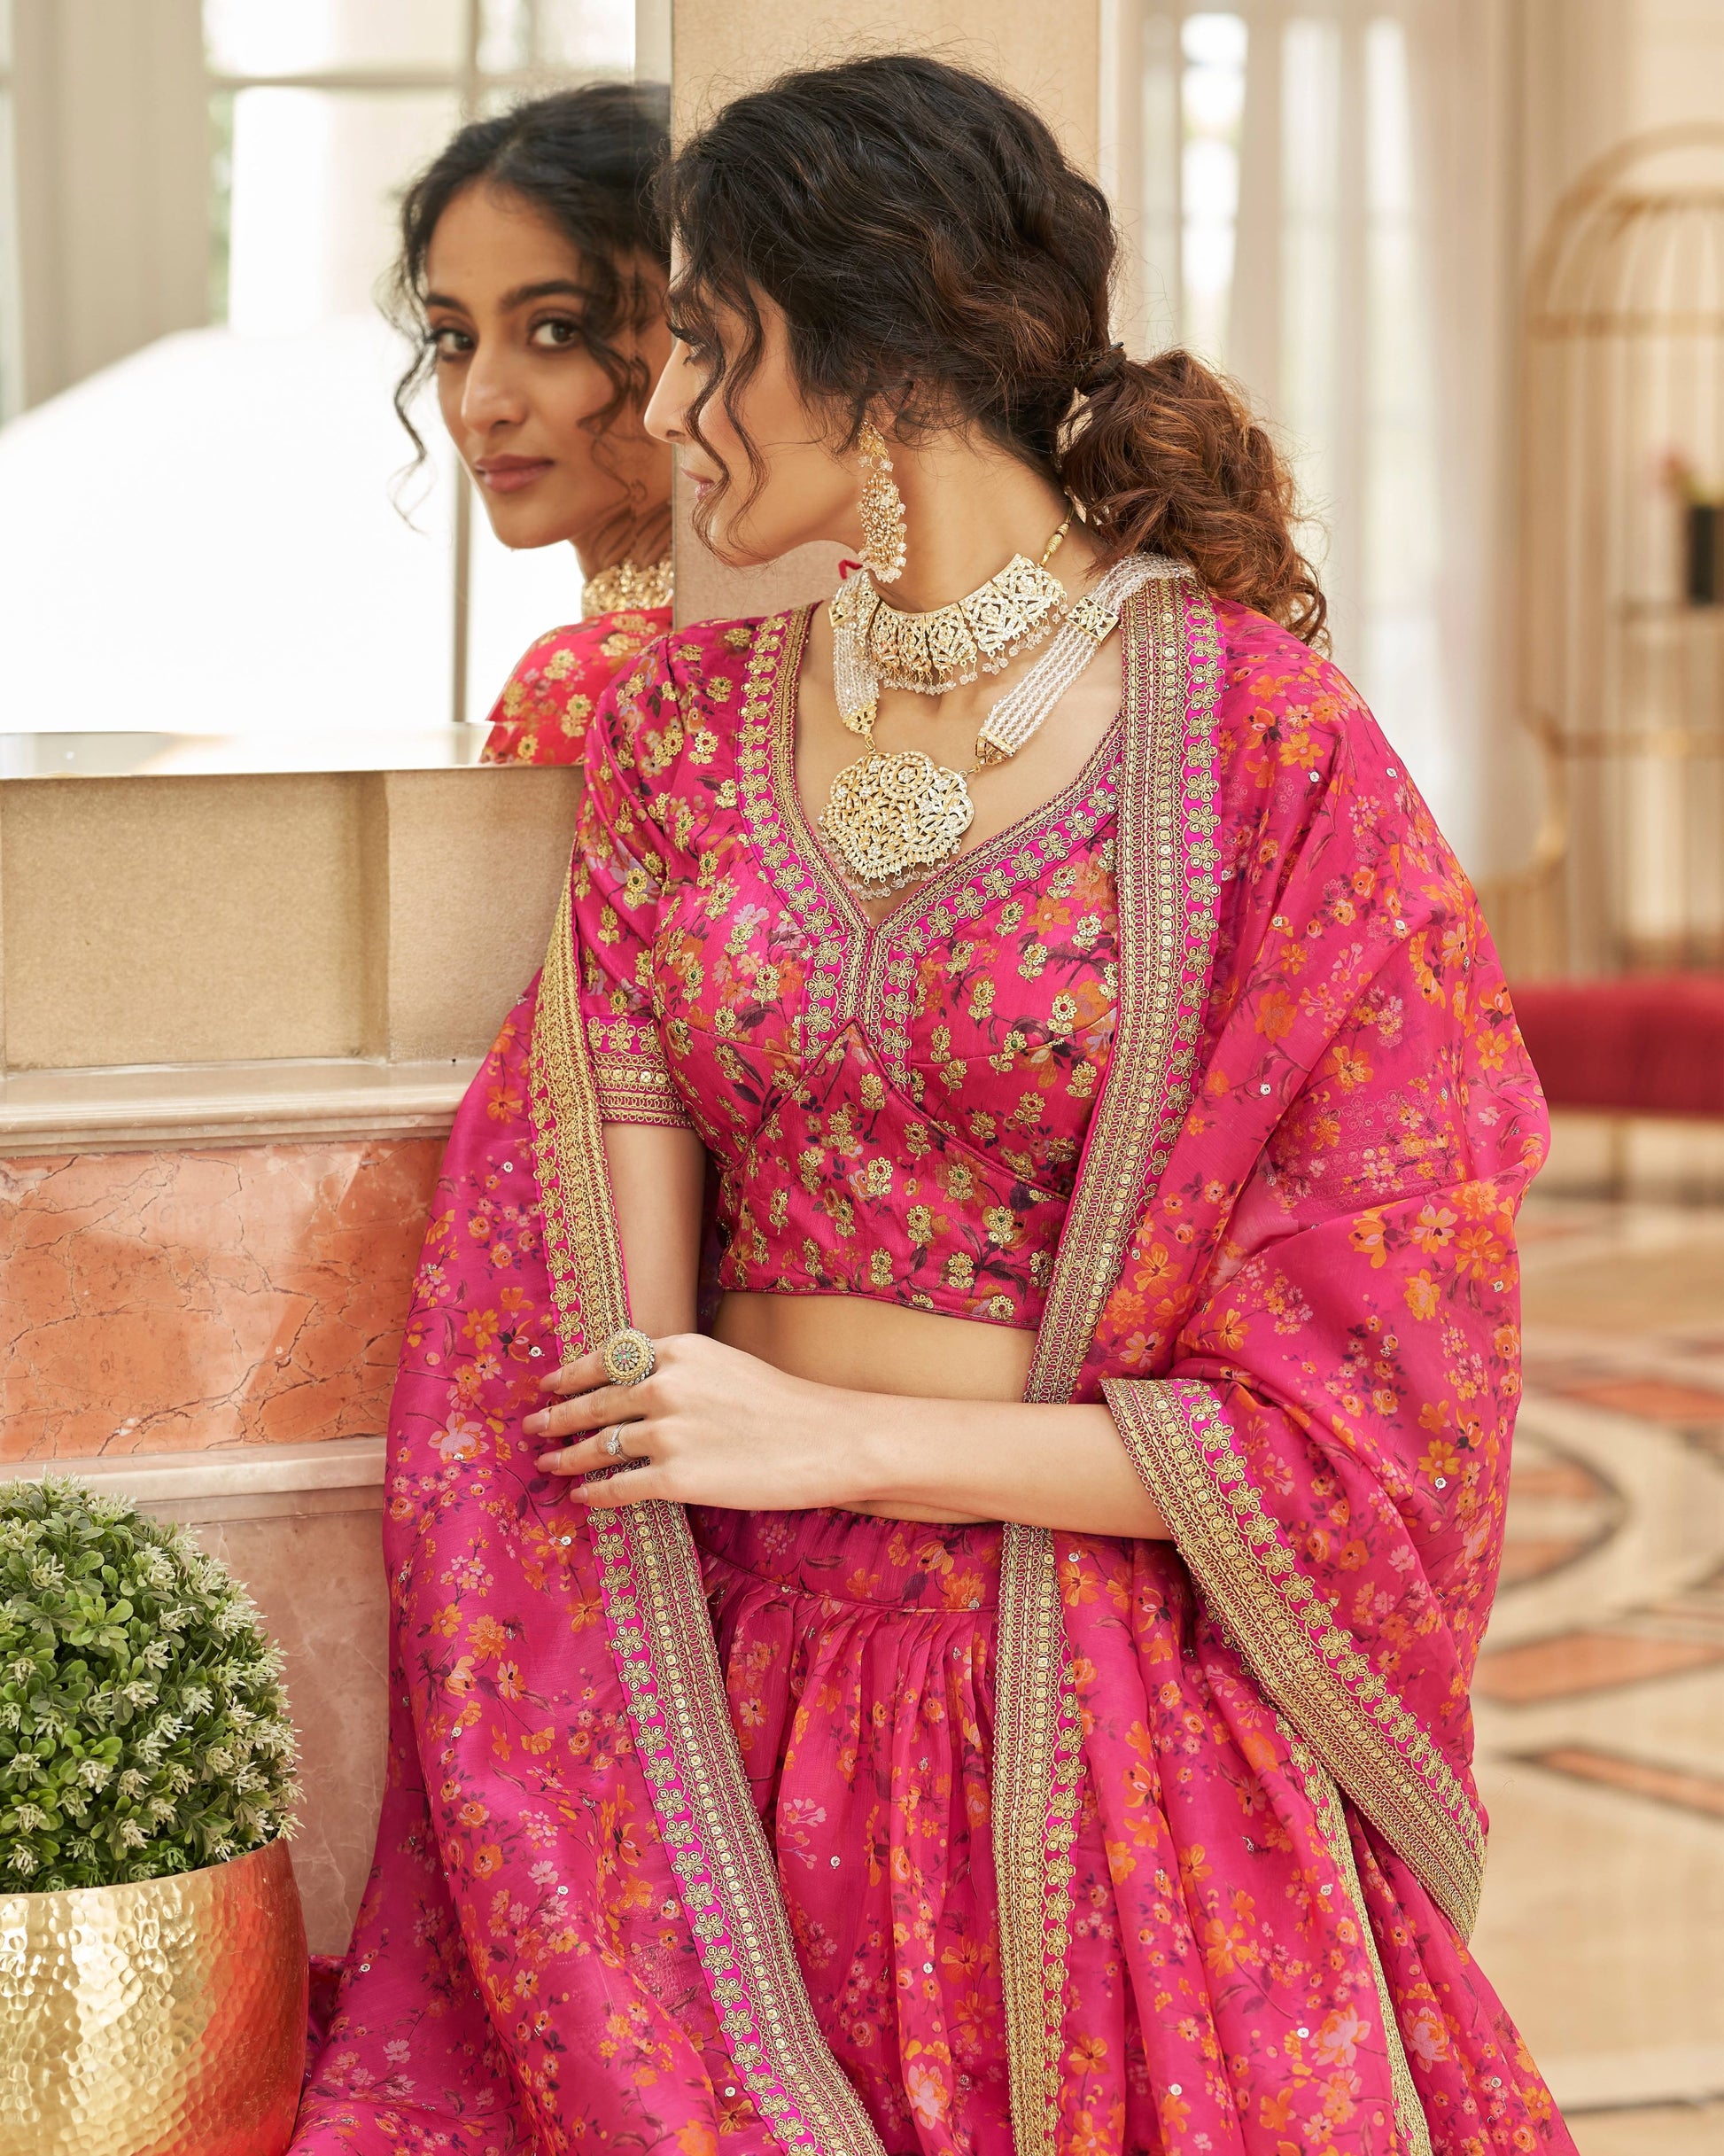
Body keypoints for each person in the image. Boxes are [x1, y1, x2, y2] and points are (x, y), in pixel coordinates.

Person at [295, 54, 1574, 2156]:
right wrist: (723, 1469)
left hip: (1106, 1719)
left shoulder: (1267, 754)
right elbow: (605, 1309)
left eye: (714, 342)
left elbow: (1384, 1396)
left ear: (876, 348)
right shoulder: (682, 730)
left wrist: (856, 1439)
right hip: (726, 1695)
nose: (677, 410)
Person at [388, 82, 673, 767]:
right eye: (454, 339)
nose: (479, 405)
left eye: (557, 329)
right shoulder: (809, 645)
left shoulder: (600, 678)